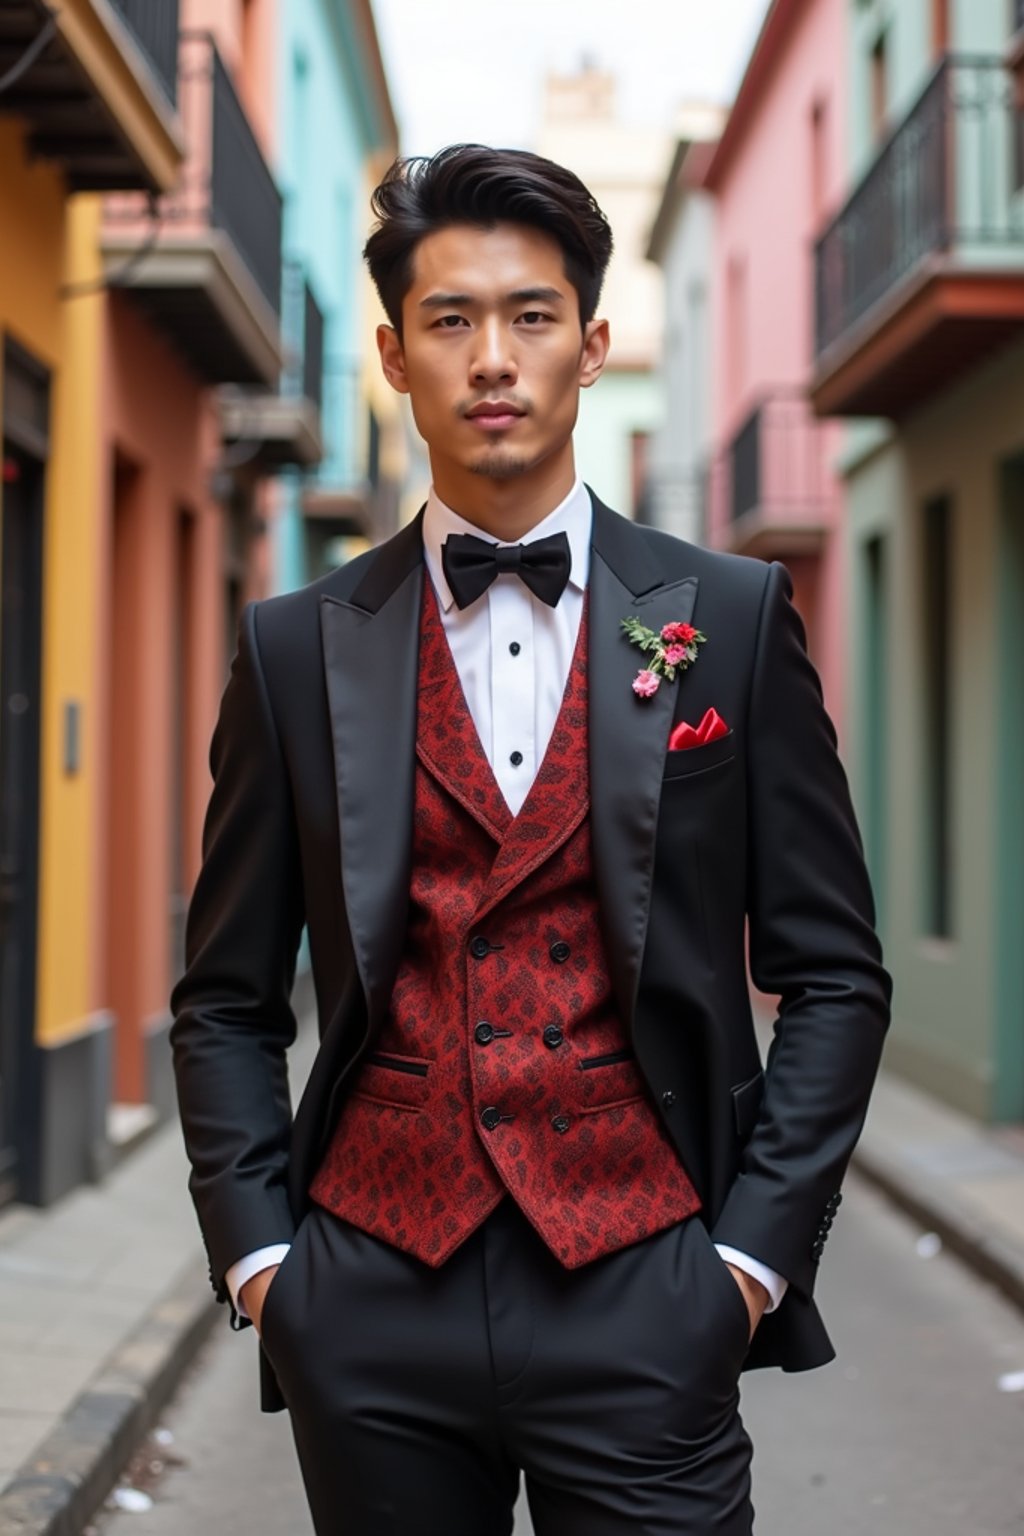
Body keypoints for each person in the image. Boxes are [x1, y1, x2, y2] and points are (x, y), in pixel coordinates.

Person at [170, 143, 892, 1535]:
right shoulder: (291, 650)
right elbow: (224, 994)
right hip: (371, 1296)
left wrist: (746, 1258)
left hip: (645, 1293)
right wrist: (265, 1261)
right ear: (393, 355)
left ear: (594, 345)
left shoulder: (728, 624)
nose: (491, 358)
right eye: (450, 321)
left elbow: (836, 972)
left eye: (532, 317)